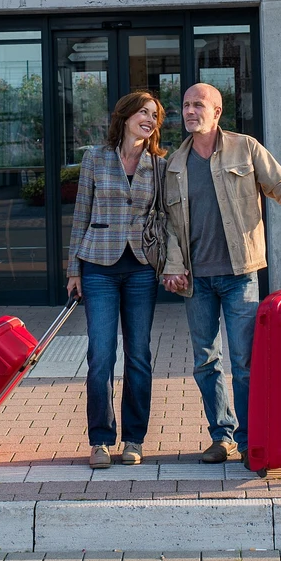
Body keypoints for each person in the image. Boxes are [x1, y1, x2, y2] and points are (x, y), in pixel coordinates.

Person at [160, 82, 281, 463]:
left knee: (244, 363)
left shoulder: (246, 148)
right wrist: (173, 265)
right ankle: (221, 435)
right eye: (186, 105)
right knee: (206, 362)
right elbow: (168, 224)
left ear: (217, 111)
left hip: (240, 274)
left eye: (198, 105)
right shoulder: (174, 164)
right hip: (197, 280)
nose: (190, 111)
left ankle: (250, 438)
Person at [65, 89, 167, 469]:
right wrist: (73, 268)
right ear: (124, 116)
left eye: (155, 115)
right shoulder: (95, 157)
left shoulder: (159, 163)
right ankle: (100, 441)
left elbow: (166, 217)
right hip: (98, 266)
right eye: (143, 112)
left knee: (139, 355)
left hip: (141, 267)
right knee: (100, 356)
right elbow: (81, 214)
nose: (149, 119)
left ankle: (134, 439)